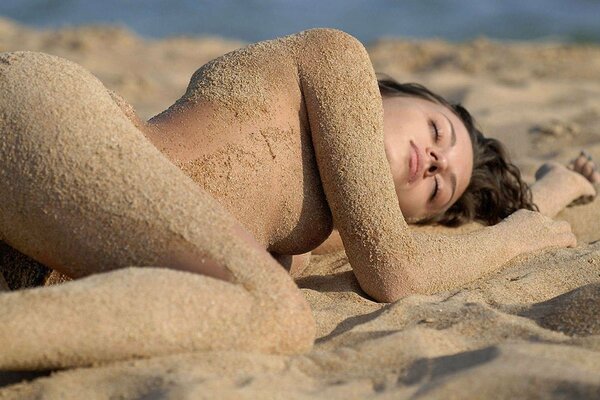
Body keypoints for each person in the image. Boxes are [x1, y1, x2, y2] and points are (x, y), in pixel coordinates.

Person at [0, 29, 594, 369]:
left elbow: (411, 251)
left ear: (414, 217)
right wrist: (525, 235)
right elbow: (400, 271)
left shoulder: (326, 233)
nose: (434, 160)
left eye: (439, 186)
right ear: (392, 95)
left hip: (43, 241)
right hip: (52, 121)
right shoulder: (335, 60)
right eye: (437, 131)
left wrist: (549, 192)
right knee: (276, 311)